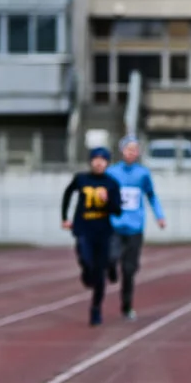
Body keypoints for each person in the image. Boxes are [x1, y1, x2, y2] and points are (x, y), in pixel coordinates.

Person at [106, 136, 167, 321]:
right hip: (115, 225)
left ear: (138, 152)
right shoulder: (111, 173)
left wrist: (160, 216)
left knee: (129, 270)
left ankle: (127, 306)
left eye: (134, 149)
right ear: (122, 151)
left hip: (135, 227)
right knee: (111, 257)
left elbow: (151, 196)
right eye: (128, 149)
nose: (131, 152)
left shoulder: (143, 174)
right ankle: (110, 269)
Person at [61, 147, 123, 326]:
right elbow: (68, 193)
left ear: (107, 163)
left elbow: (117, 211)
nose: (98, 163)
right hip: (83, 229)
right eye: (95, 159)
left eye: (102, 160)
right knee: (86, 262)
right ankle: (87, 271)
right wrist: (64, 217)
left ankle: (96, 308)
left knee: (99, 274)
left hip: (103, 231)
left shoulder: (112, 183)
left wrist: (108, 200)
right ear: (90, 161)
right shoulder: (81, 179)